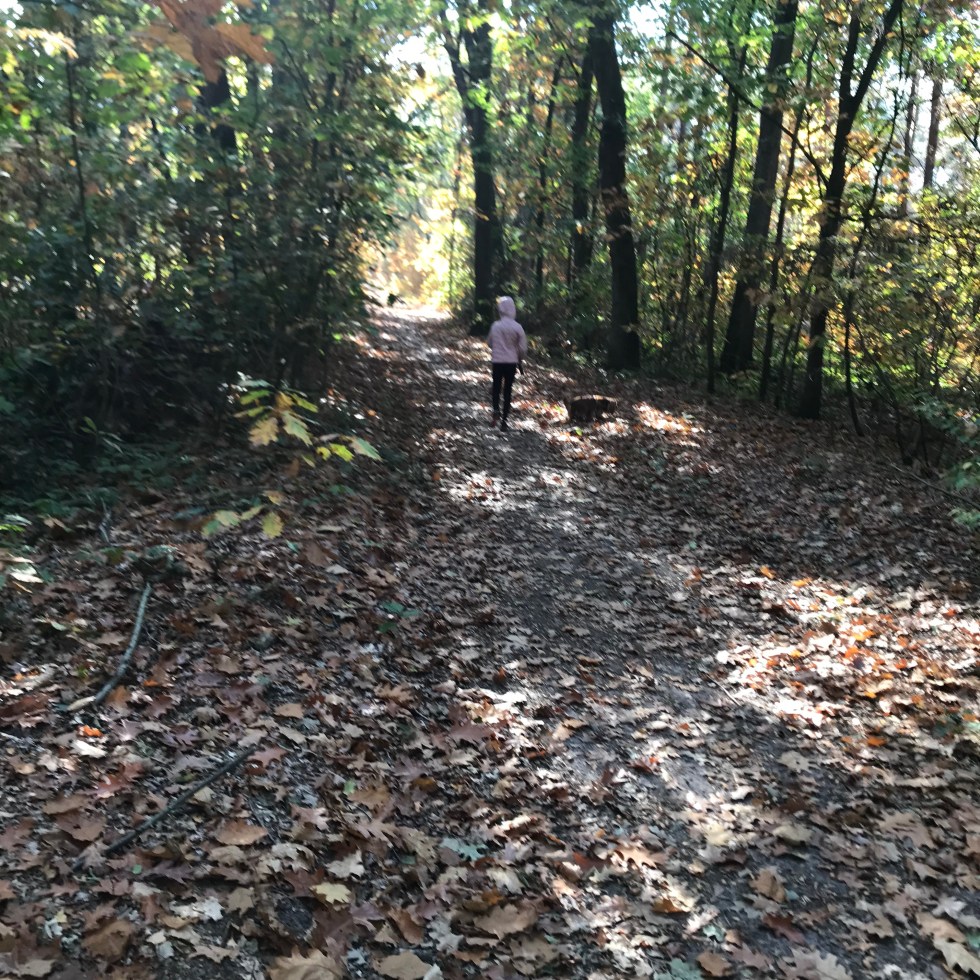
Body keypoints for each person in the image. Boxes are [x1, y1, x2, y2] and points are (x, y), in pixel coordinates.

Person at [487, 296, 527, 432]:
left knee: (496, 387)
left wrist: (497, 348)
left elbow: (489, 343)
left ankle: (495, 409)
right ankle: (504, 421)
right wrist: (519, 359)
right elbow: (522, 348)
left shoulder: (495, 326)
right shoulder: (518, 327)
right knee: (508, 390)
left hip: (497, 361)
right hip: (511, 363)